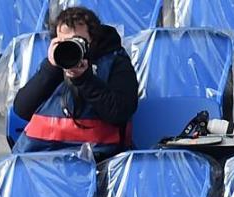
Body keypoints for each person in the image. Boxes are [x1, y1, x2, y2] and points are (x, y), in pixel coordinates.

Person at [9, 6, 139, 159]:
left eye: (78, 41)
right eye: (64, 42)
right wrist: (51, 68)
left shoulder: (115, 62)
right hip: (42, 159)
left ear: (93, 40)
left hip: (99, 161)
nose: (70, 47)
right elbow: (22, 109)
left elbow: (120, 112)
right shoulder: (54, 67)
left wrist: (84, 79)